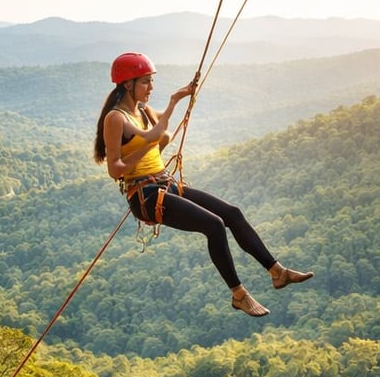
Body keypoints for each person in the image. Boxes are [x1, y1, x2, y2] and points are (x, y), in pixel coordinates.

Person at [94, 52, 312, 317]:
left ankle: (278, 272)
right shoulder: (116, 119)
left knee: (232, 213)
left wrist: (179, 101)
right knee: (214, 225)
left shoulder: (142, 111)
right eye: (146, 82)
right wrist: (147, 147)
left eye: (151, 82)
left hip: (164, 183)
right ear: (128, 84)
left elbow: (161, 134)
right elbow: (114, 169)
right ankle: (239, 295)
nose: (151, 88)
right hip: (145, 196)